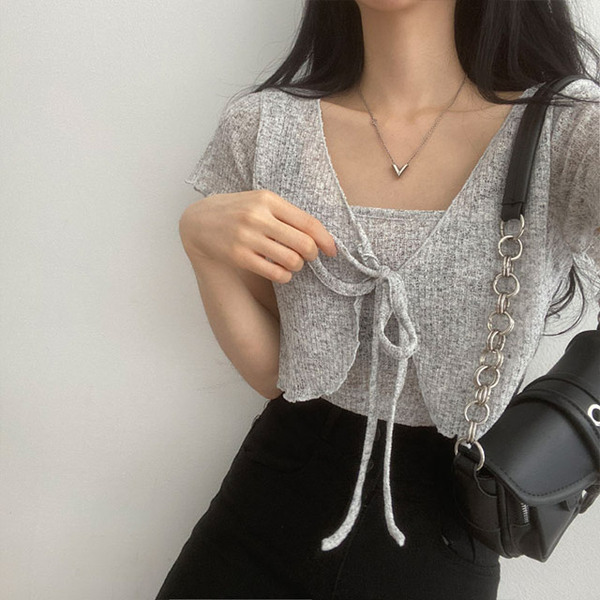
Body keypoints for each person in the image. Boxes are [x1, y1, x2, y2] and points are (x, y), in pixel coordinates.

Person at [156, 1, 600, 598]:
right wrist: (199, 242)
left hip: (448, 528)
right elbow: (280, 376)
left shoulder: (569, 130)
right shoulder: (264, 126)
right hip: (265, 508)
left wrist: (569, 421)